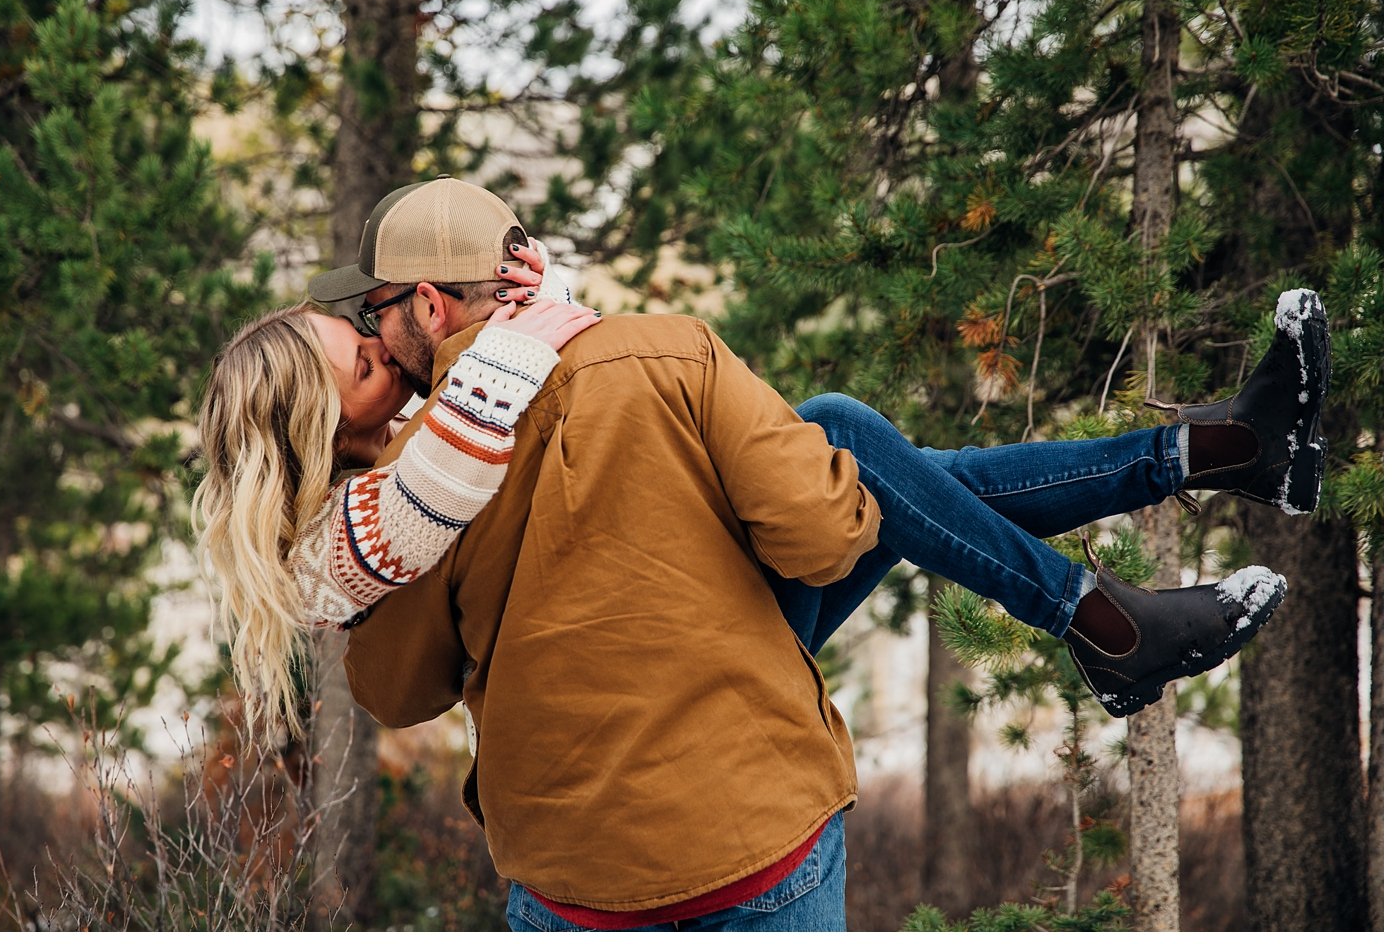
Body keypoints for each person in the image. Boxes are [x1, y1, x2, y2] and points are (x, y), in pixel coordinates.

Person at [306, 176, 1328, 931]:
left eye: (373, 313)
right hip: (750, 847)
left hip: (576, 888)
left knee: (884, 467)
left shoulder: (405, 496)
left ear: (430, 308)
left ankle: (1197, 484)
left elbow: (400, 695)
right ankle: (1172, 515)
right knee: (861, 449)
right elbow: (831, 533)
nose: (374, 329)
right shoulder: (662, 351)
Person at [192, 265, 601, 740]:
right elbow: (428, 490)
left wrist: (520, 295)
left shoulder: (411, 420)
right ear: (324, 430)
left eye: (362, 335)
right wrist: (507, 354)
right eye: (364, 369)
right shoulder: (316, 557)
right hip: (535, 724)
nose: (385, 348)